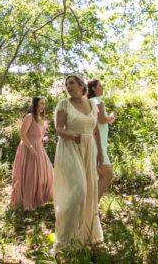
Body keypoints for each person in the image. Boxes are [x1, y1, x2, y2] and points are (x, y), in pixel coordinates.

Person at [52, 75, 104, 252]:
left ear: (82, 85)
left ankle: (85, 236)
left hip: (89, 150)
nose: (68, 86)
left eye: (72, 83)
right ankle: (65, 240)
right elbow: (58, 129)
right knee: (78, 192)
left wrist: (101, 153)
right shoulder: (64, 104)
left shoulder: (92, 105)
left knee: (89, 192)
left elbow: (95, 129)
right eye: (66, 84)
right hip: (70, 149)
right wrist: (72, 136)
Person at [10, 97, 54, 209]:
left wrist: (43, 139)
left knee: (47, 171)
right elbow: (22, 134)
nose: (43, 106)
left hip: (39, 147)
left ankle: (40, 196)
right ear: (35, 104)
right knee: (31, 173)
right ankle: (28, 199)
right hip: (28, 148)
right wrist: (30, 147)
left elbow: (37, 135)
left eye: (44, 104)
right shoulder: (29, 117)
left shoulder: (39, 118)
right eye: (41, 103)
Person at [87, 79, 115, 199]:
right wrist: (112, 116)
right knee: (107, 175)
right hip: (97, 143)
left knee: (97, 176)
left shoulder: (88, 101)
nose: (102, 87)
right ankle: (92, 209)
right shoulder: (97, 101)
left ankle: (90, 208)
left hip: (93, 142)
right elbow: (102, 119)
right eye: (100, 85)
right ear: (93, 88)